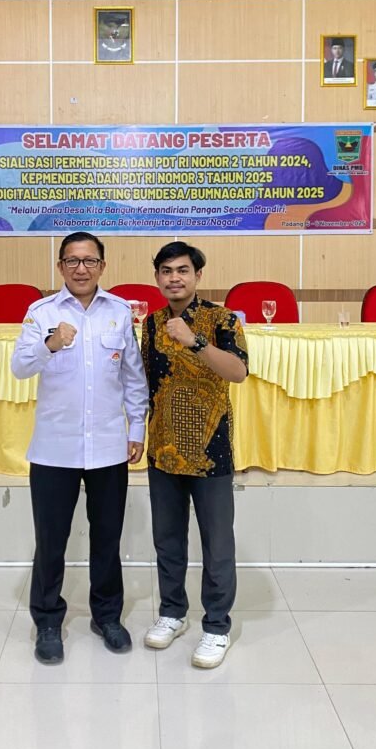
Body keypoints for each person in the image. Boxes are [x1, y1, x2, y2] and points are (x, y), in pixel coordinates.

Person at [11, 231, 148, 665]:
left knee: (107, 539)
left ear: (102, 266)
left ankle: (107, 616)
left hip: (108, 446)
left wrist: (137, 427)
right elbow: (19, 367)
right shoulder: (41, 313)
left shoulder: (120, 312)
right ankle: (48, 621)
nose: (81, 268)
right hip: (55, 449)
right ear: (60, 267)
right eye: (72, 261)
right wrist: (49, 344)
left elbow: (133, 376)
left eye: (89, 260)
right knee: (51, 541)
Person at [141, 241, 248, 669]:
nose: (174, 278)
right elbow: (146, 381)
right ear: (157, 277)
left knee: (217, 544)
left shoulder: (223, 319)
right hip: (163, 450)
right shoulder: (150, 323)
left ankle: (217, 626)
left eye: (182, 270)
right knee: (168, 540)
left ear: (197, 275)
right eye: (166, 271)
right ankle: (172, 612)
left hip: (210, 452)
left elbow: (238, 372)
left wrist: (195, 341)